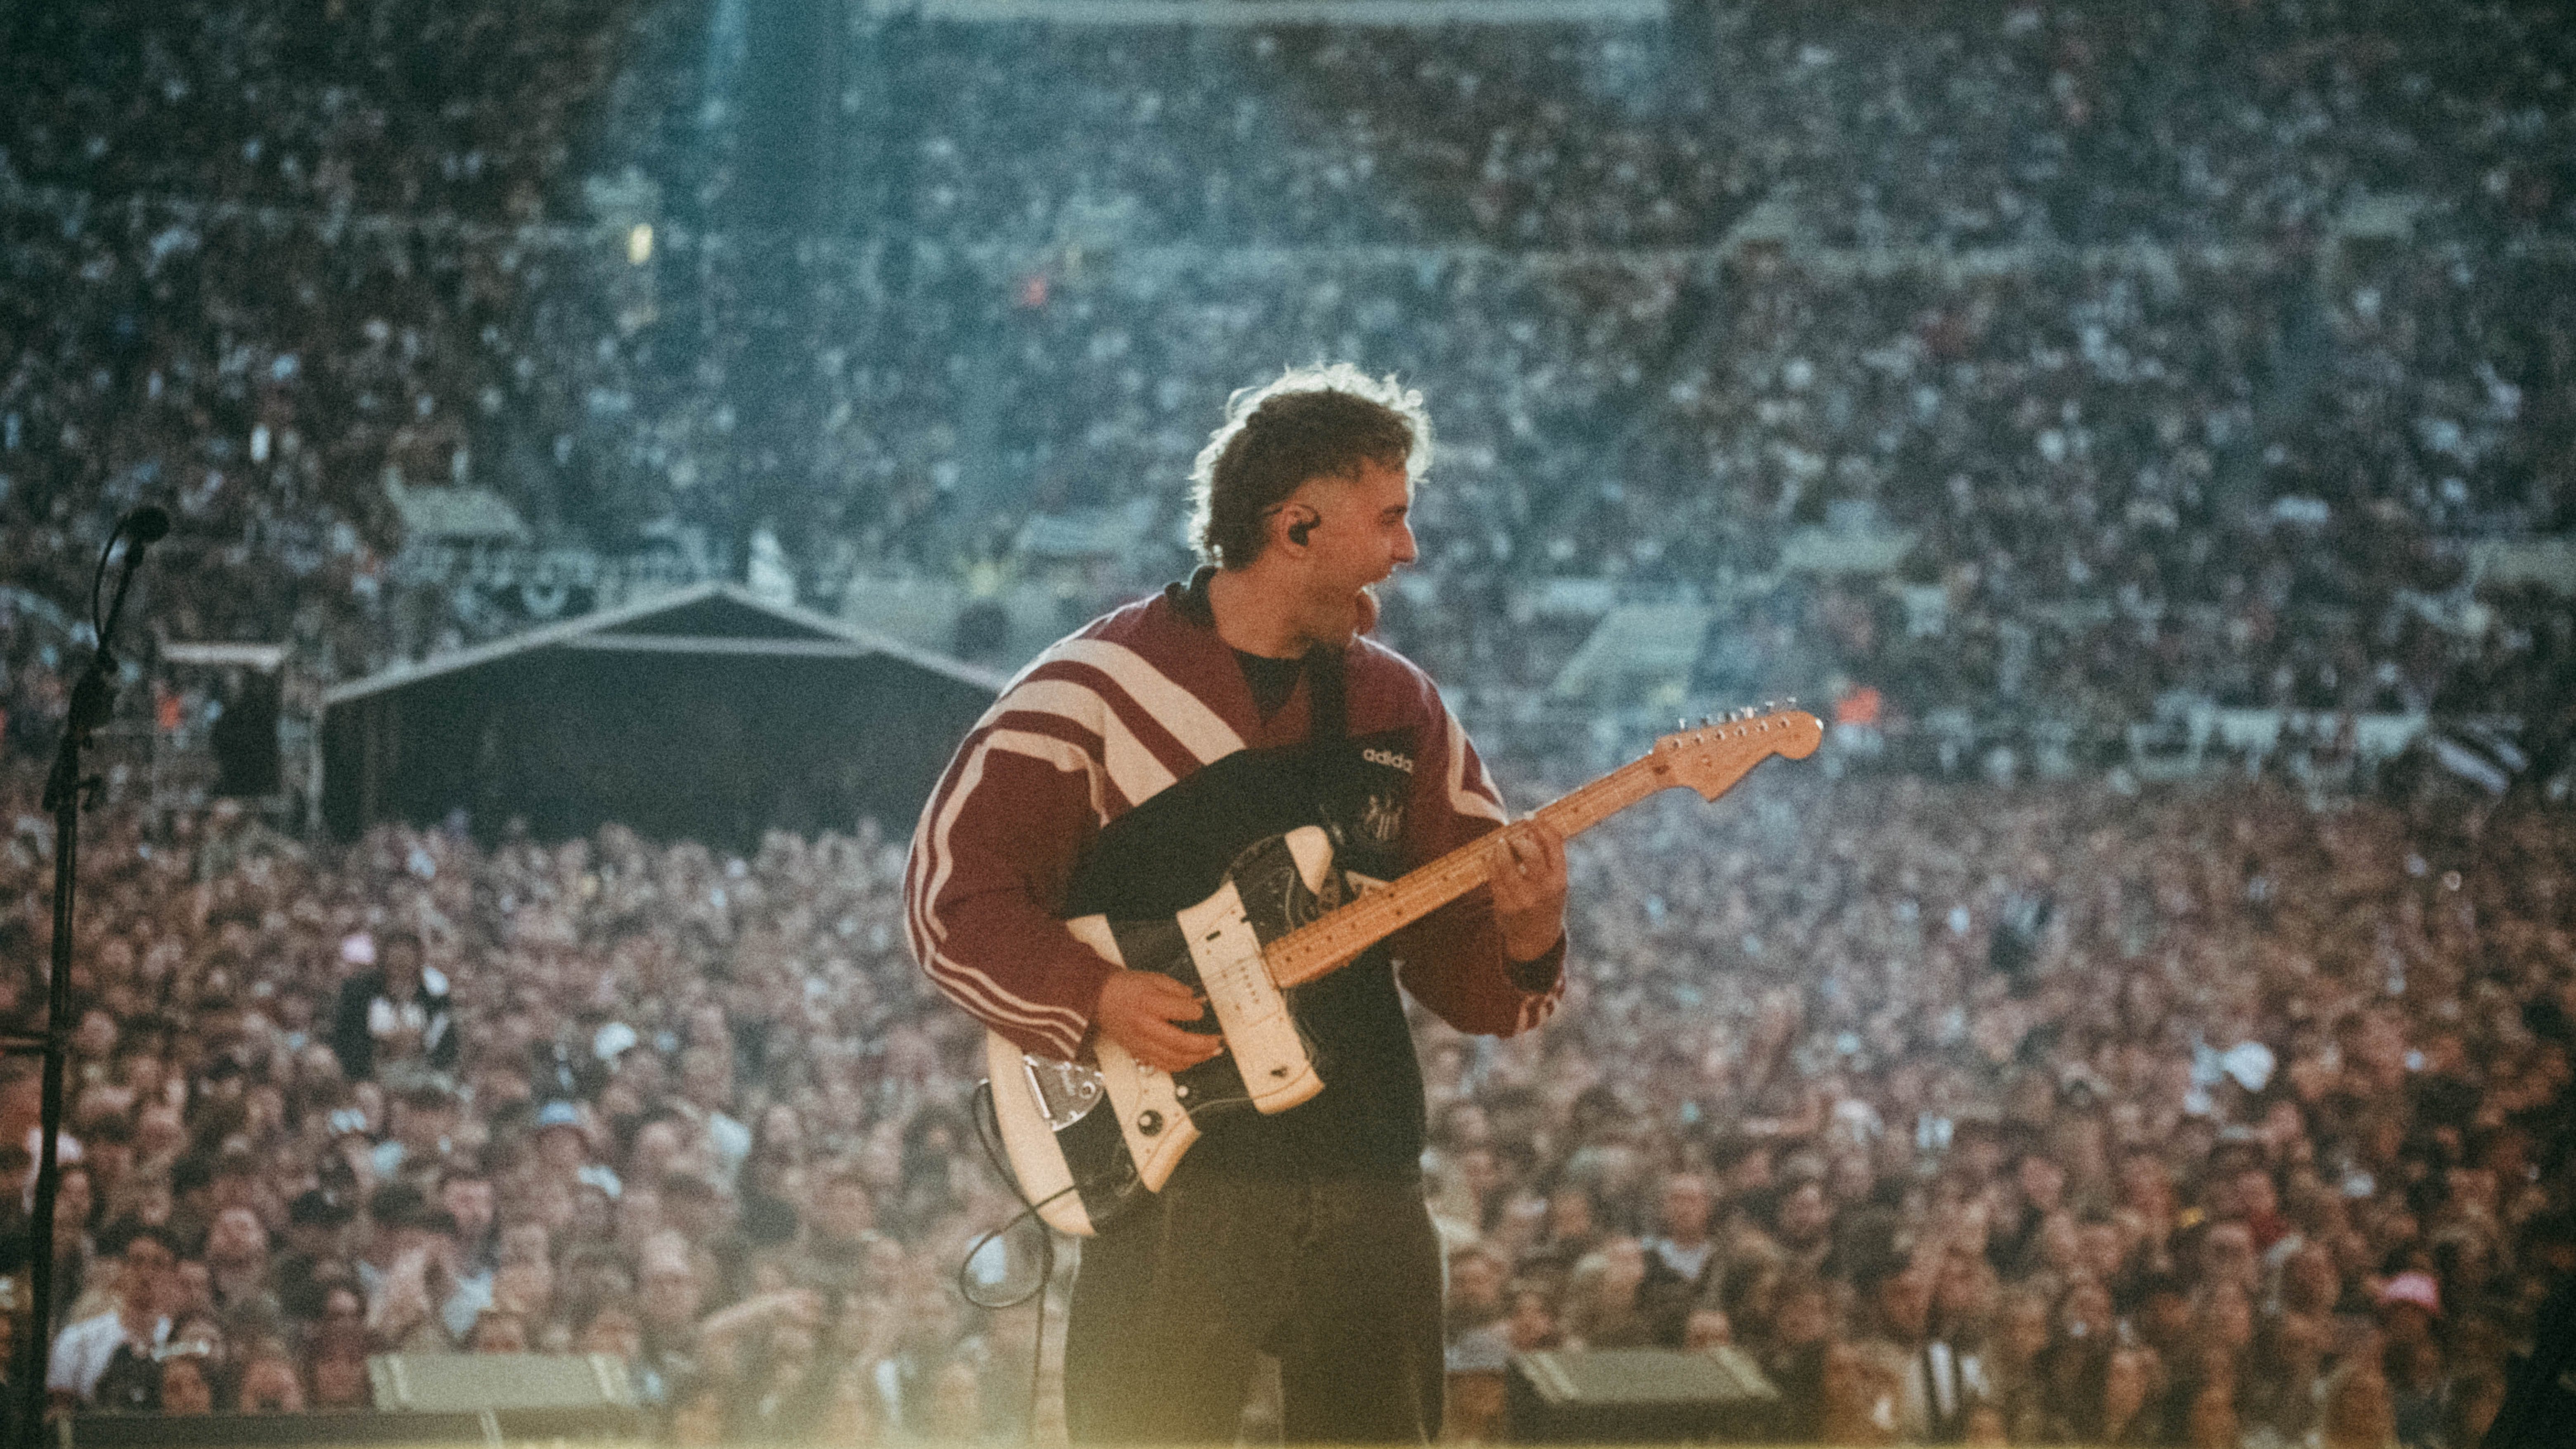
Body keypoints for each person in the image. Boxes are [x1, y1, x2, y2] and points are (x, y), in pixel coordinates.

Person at [906, 364, 1569, 1443]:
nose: (1409, 549)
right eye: (1389, 518)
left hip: (1369, 1170)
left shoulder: (1398, 704)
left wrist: (1530, 937)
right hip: (1178, 1185)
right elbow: (955, 898)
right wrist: (1095, 994)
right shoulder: (1093, 693)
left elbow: (1472, 978)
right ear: (1296, 525)